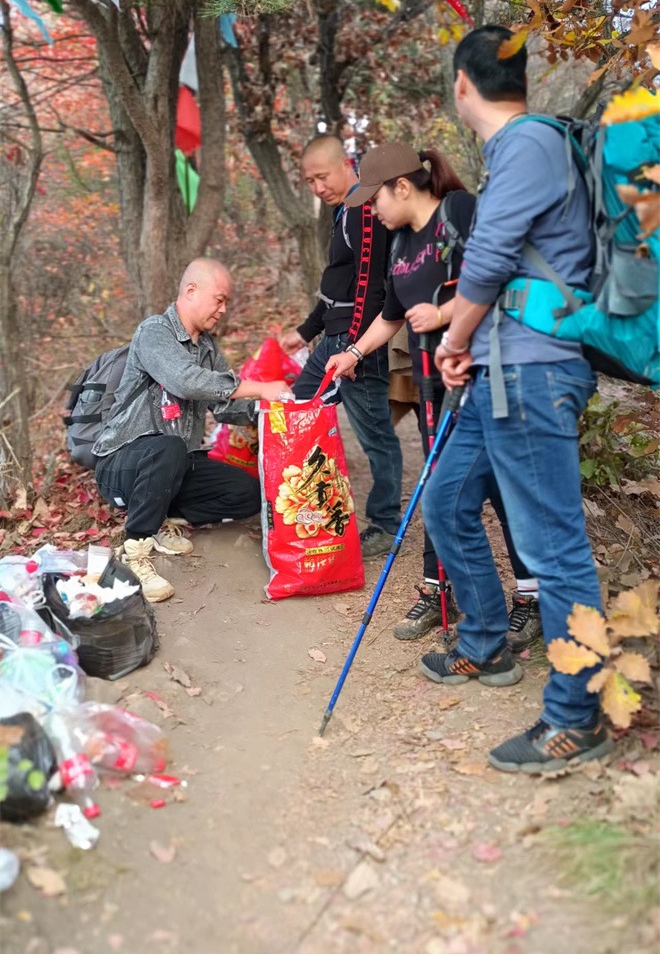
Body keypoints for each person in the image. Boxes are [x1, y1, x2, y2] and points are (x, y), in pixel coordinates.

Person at [421, 25, 612, 774]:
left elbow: (490, 259)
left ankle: (577, 713)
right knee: (446, 502)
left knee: (554, 548)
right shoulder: (521, 150)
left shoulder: (530, 144)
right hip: (500, 370)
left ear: (463, 85)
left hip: (531, 373)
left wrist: (450, 339)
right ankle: (486, 641)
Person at [327, 141, 541, 647]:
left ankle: (530, 600)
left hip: (488, 377)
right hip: (434, 388)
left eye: (374, 200)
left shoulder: (459, 212)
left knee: (501, 488)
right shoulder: (399, 244)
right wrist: (353, 354)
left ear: (402, 186)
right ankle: (440, 589)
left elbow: (502, 275)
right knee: (439, 487)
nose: (372, 212)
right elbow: (393, 314)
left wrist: (445, 315)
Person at [94, 258, 292, 603]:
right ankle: (135, 549)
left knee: (246, 493)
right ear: (191, 291)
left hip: (174, 465)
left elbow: (225, 404)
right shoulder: (154, 331)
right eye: (219, 299)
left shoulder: (207, 348)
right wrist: (259, 387)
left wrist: (275, 410)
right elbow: (186, 382)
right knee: (167, 447)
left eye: (226, 302)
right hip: (121, 464)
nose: (223, 309)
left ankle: (161, 515)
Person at [281, 134, 403, 557]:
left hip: (355, 341)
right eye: (309, 181)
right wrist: (304, 330)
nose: (316, 187)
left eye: (321, 176)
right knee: (298, 408)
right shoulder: (344, 211)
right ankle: (302, 503)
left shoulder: (364, 210)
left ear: (343, 164)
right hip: (336, 335)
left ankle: (387, 524)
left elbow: (371, 285)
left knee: (376, 435)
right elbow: (338, 285)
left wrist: (355, 349)